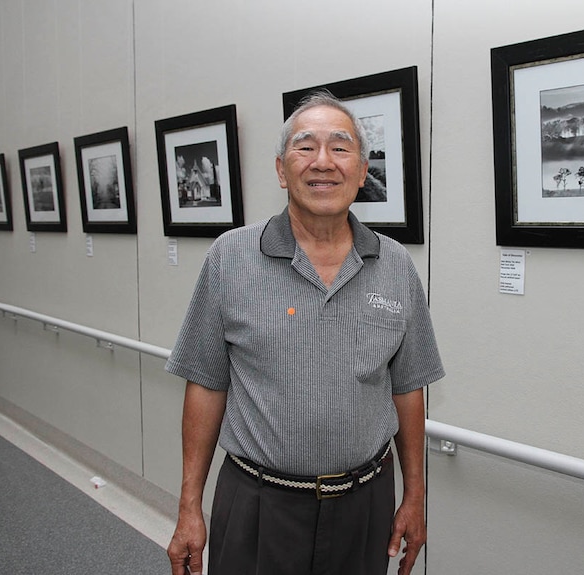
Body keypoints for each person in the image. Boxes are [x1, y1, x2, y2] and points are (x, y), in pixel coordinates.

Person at [164, 90, 445, 575]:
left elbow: (408, 389)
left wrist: (415, 497)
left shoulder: (396, 265)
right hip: (257, 504)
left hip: (365, 506)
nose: (322, 162)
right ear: (280, 169)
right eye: (304, 146)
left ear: (361, 171)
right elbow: (205, 385)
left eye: (340, 147)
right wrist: (190, 505)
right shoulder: (230, 257)